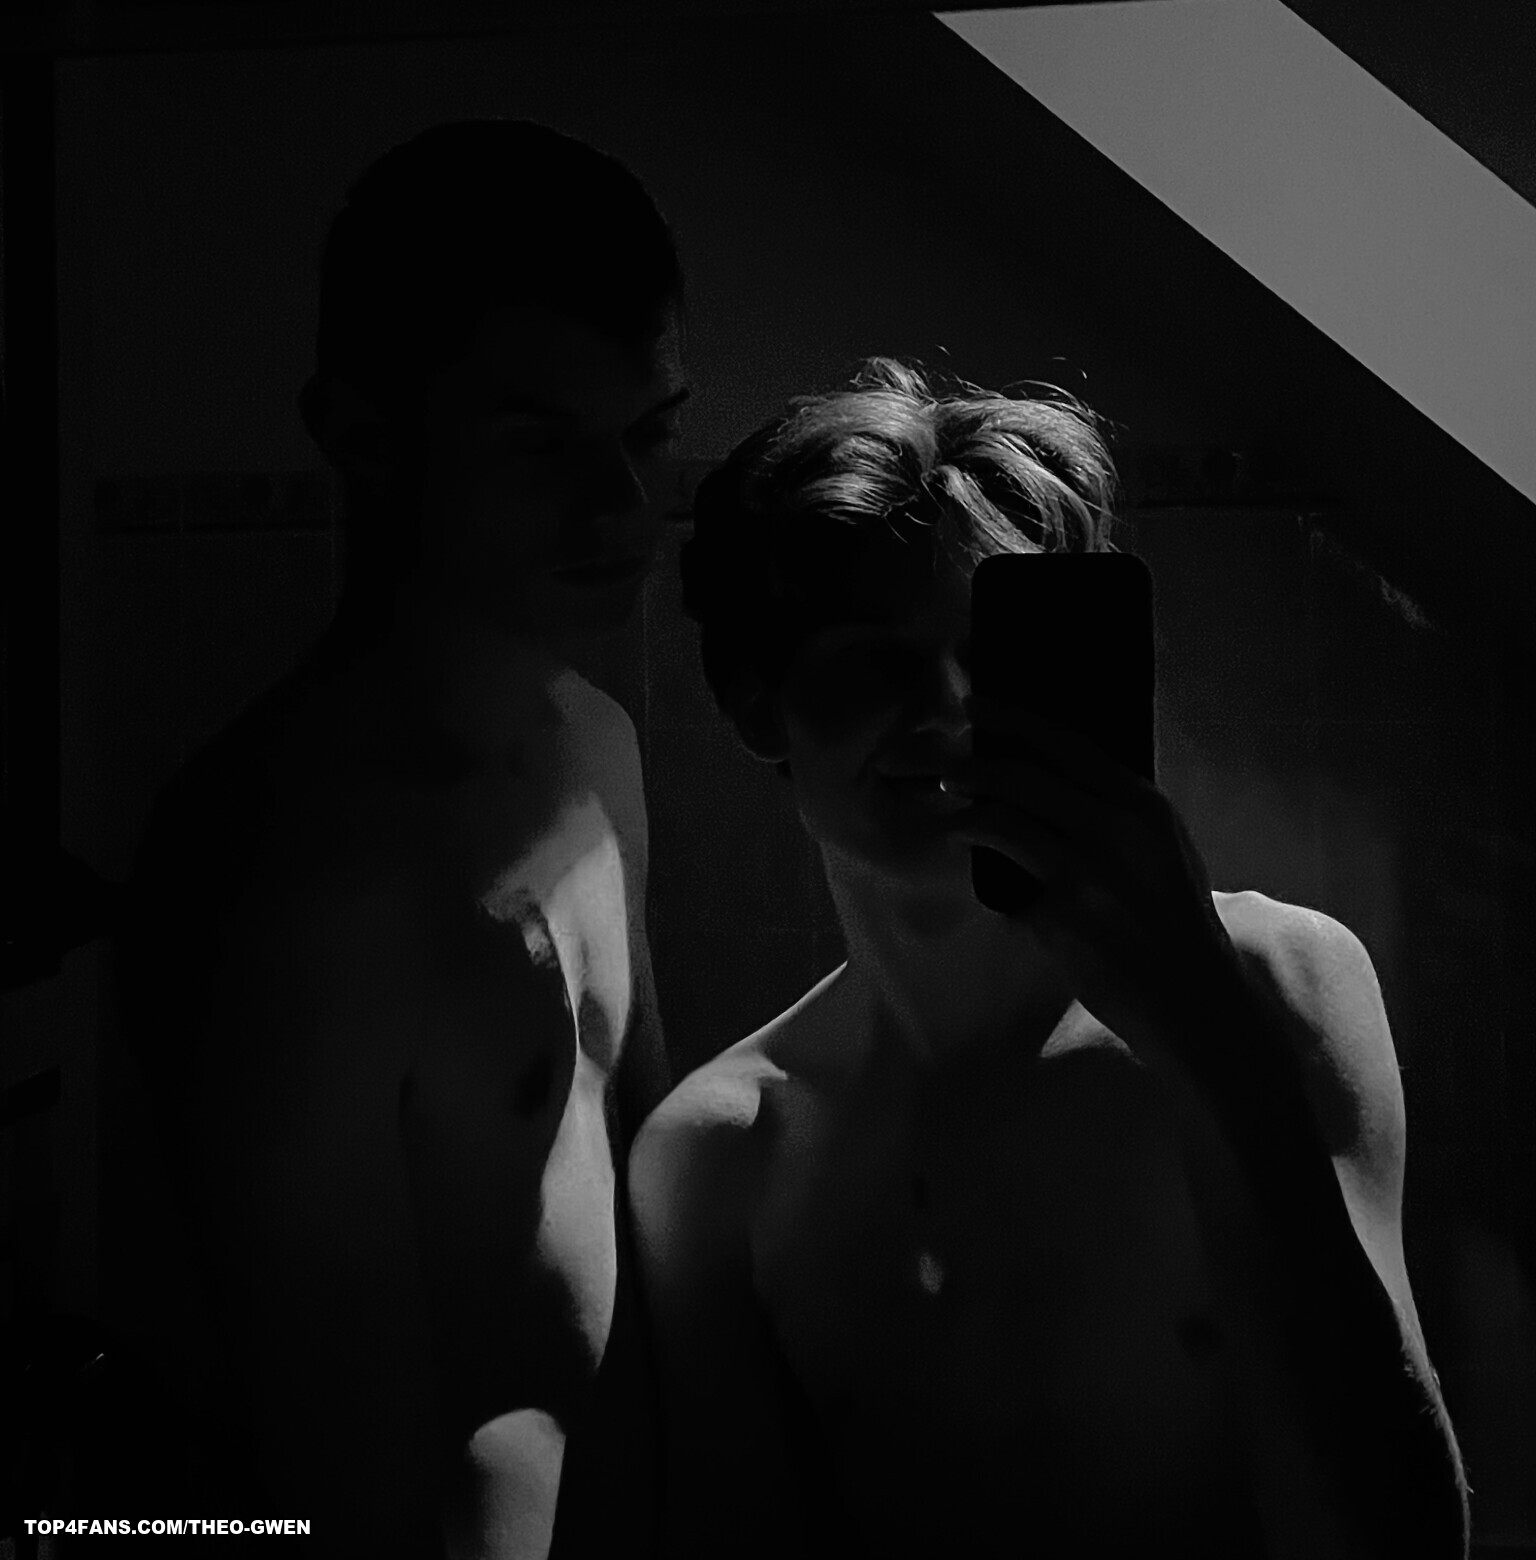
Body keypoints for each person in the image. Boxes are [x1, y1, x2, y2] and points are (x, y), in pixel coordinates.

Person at [629, 356, 1470, 1560]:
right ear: (757, 699)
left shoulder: (1275, 981)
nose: (949, 704)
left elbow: (1399, 1541)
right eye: (876, 658)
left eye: (998, 652)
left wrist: (1208, 1042)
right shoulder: (723, 1153)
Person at [110, 120, 689, 1558]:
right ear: (362, 435)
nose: (621, 507)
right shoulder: (296, 877)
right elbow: (337, 1469)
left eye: (647, 434)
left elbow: (656, 1211)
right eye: (541, 443)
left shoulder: (599, 747)